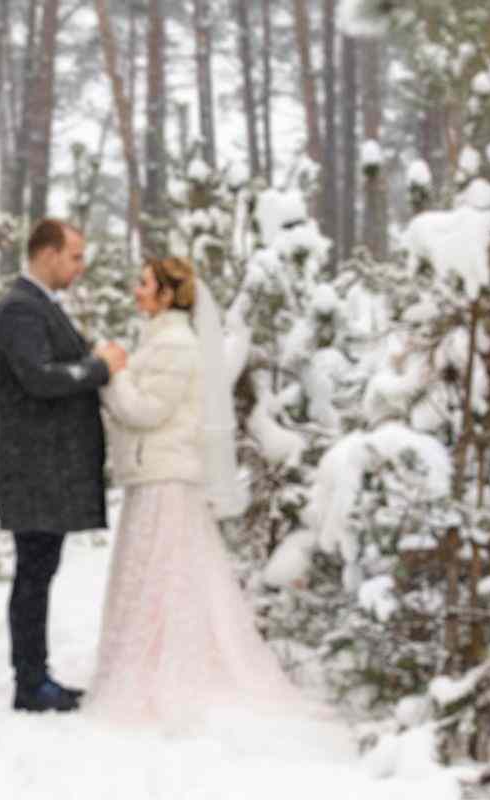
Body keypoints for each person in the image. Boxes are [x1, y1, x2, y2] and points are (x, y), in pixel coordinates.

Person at [87, 256, 301, 726]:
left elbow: (145, 411)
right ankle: (150, 662)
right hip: (154, 474)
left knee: (164, 575)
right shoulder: (160, 341)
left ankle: (170, 670)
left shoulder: (177, 346)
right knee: (155, 575)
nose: (135, 290)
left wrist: (111, 373)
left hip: (167, 478)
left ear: (167, 294)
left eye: (144, 283)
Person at [0, 218, 127, 713]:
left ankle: (35, 675)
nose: (80, 266)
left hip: (42, 467)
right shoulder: (19, 309)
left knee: (39, 570)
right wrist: (99, 368)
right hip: (33, 468)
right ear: (47, 253)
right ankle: (30, 683)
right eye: (74, 256)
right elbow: (40, 378)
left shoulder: (38, 306)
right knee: (33, 573)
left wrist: (93, 356)